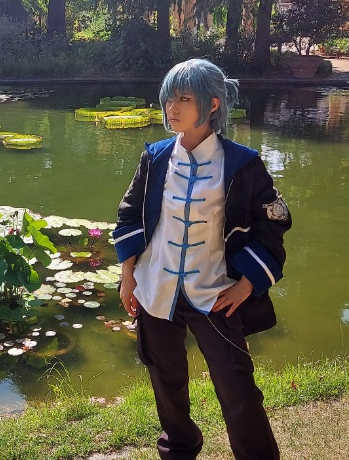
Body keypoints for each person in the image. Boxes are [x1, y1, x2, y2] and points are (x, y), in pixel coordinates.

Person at [113, 58, 292, 460]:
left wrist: (247, 284)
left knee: (237, 388)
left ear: (212, 104)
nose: (171, 107)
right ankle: (179, 450)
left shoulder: (242, 163)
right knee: (166, 383)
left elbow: (273, 223)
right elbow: (129, 214)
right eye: (168, 98)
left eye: (183, 98)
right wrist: (128, 276)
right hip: (156, 289)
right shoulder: (156, 157)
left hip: (214, 293)